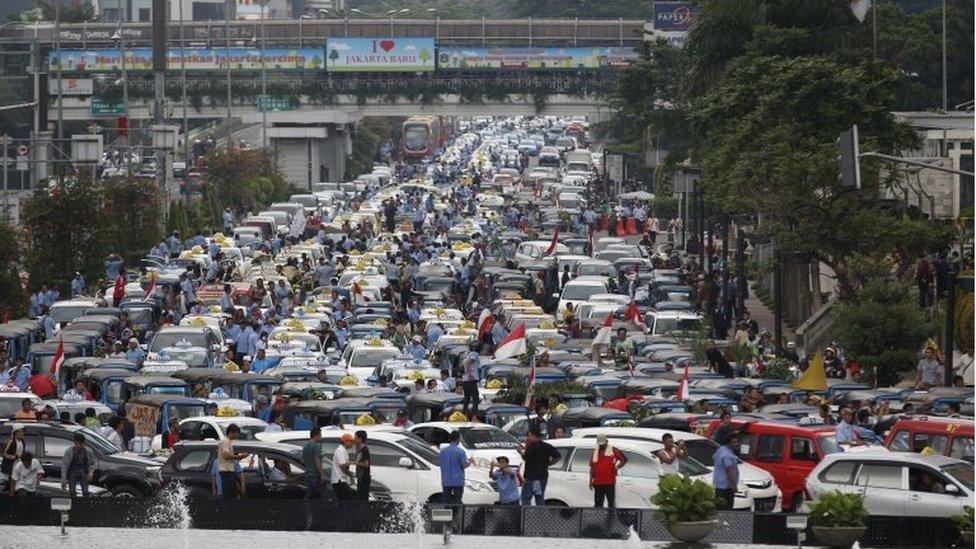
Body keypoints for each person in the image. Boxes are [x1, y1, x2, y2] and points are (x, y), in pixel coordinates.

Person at [518, 427, 560, 505]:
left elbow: (526, 458)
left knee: (526, 498)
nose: (528, 438)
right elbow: (558, 456)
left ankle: (527, 515)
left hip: (531, 477)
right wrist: (549, 464)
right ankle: (540, 516)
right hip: (542, 477)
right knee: (540, 498)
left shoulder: (532, 446)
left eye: (529, 436)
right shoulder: (547, 446)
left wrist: (520, 452)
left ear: (534, 436)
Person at [589, 434, 627, 508]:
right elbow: (592, 467)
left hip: (609, 481)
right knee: (598, 503)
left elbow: (624, 460)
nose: (601, 446)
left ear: (606, 442)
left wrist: (616, 467)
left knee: (611, 503)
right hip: (598, 482)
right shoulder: (595, 452)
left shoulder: (614, 450)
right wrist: (590, 481)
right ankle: (598, 518)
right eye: (600, 444)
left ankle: (610, 518)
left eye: (602, 444)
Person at [438, 430, 471, 504]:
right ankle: (456, 515)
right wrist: (470, 462)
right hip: (458, 481)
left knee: (446, 501)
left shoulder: (443, 451)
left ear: (449, 439)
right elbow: (464, 465)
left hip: (446, 480)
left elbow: (439, 463)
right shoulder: (460, 451)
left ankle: (447, 514)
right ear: (458, 439)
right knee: (457, 502)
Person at [218, 424, 248, 499]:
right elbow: (226, 455)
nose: (237, 436)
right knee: (229, 494)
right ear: (231, 432)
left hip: (228, 470)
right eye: (236, 433)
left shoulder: (227, 442)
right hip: (227, 470)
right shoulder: (226, 441)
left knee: (231, 492)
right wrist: (239, 457)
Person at [61, 432, 95, 497]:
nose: (78, 446)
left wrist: (90, 473)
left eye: (80, 444)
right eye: (76, 444)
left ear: (83, 443)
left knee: (85, 491)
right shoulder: (69, 451)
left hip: (83, 472)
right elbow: (64, 465)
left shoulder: (88, 451)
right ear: (74, 443)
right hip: (72, 472)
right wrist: (63, 478)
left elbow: (92, 463)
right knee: (72, 491)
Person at [712, 429, 738, 510]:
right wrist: (733, 484)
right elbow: (729, 469)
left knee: (719, 509)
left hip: (718, 486)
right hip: (726, 488)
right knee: (726, 511)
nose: (737, 444)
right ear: (728, 442)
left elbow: (714, 458)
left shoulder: (720, 450)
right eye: (734, 442)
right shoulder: (727, 454)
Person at [302, 427, 326, 500]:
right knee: (321, 495)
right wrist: (322, 474)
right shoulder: (316, 446)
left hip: (307, 474)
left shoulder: (305, 446)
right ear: (316, 435)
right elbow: (317, 460)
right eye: (320, 435)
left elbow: (303, 460)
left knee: (310, 495)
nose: (321, 437)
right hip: (315, 475)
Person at [331, 433, 356, 500]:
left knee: (344, 500)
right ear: (345, 441)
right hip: (339, 480)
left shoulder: (343, 450)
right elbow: (342, 466)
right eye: (350, 441)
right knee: (348, 500)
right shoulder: (340, 451)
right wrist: (350, 474)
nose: (352, 443)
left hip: (341, 480)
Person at [460, 343, 481, 419]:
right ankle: (474, 417)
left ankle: (463, 414)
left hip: (465, 380)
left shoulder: (467, 354)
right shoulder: (474, 354)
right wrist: (470, 374)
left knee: (467, 398)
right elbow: (468, 362)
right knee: (476, 398)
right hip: (471, 380)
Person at [353, 430, 371, 501]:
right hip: (360, 477)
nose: (354, 439)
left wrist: (354, 462)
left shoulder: (365, 450)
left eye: (355, 437)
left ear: (360, 439)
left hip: (364, 477)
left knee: (363, 498)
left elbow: (366, 464)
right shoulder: (360, 449)